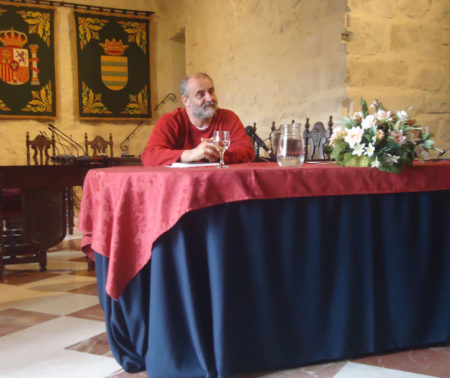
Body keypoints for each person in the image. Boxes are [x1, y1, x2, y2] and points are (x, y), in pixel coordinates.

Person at [141, 73, 254, 166]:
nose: (209, 98)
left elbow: (247, 151)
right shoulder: (170, 121)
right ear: (186, 101)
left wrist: (216, 153)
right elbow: (149, 156)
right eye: (201, 94)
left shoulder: (228, 118)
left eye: (211, 91)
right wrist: (190, 154)